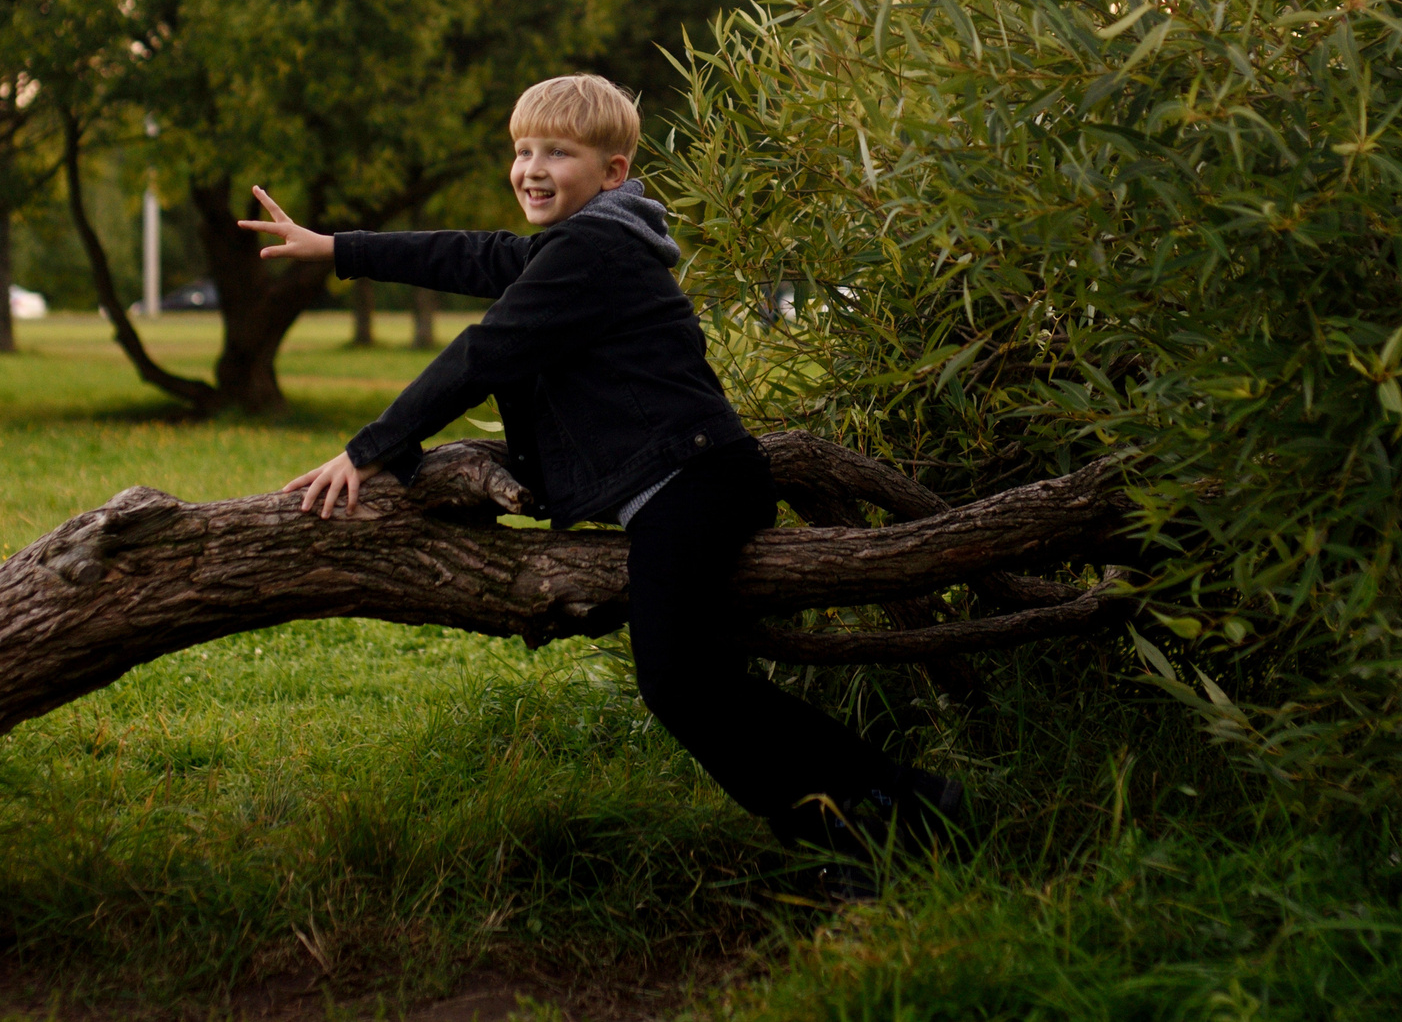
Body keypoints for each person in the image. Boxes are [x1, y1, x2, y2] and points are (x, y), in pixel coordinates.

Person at [240, 74, 959, 877]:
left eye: (558, 151)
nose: (531, 168)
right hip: (686, 482)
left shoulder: (595, 251)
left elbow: (485, 352)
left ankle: (887, 820)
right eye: (522, 150)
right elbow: (473, 253)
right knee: (700, 682)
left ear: (613, 172)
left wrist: (369, 447)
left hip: (691, 488)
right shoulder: (587, 244)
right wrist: (338, 248)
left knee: (679, 683)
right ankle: (886, 817)